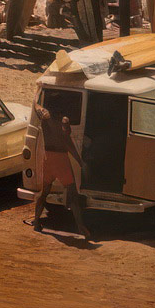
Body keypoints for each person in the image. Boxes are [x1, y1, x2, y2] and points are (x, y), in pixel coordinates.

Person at [31, 94, 92, 241]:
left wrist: (36, 94)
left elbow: (35, 105)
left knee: (44, 192)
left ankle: (36, 221)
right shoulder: (64, 121)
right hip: (60, 159)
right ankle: (80, 227)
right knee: (72, 193)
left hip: (48, 158)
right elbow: (67, 143)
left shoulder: (44, 116)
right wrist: (80, 162)